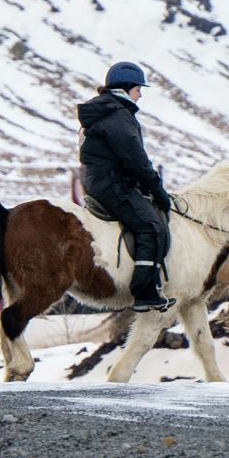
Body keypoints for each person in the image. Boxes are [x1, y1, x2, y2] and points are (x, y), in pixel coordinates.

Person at [76, 63, 175, 310]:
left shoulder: (102, 112)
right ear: (127, 88)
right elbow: (136, 160)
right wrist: (158, 192)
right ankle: (144, 293)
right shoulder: (117, 115)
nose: (140, 94)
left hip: (99, 180)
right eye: (138, 89)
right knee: (150, 226)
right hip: (113, 183)